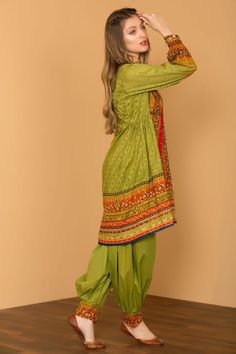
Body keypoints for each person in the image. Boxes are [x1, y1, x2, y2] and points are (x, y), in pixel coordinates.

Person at [68, 7, 197, 350]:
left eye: (142, 28)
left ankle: (94, 314)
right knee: (128, 250)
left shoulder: (136, 74)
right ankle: (129, 318)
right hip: (127, 171)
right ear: (117, 42)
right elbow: (187, 66)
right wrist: (164, 28)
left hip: (133, 168)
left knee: (128, 248)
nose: (142, 34)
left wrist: (153, 29)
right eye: (132, 31)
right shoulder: (130, 75)